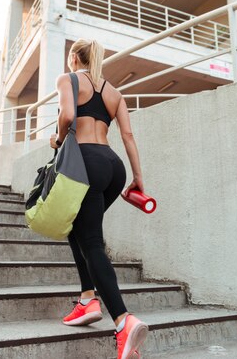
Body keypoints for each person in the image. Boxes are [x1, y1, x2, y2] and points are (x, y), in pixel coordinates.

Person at [50, 38, 148, 359]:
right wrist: (138, 178)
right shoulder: (114, 93)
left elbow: (66, 116)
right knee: (79, 229)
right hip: (113, 166)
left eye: (69, 56)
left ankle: (123, 321)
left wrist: (58, 140)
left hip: (87, 162)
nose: (68, 62)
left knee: (90, 241)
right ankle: (87, 299)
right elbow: (129, 137)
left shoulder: (68, 79)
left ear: (76, 58)